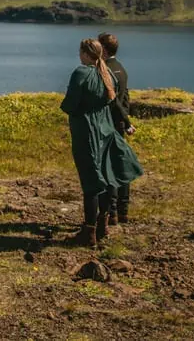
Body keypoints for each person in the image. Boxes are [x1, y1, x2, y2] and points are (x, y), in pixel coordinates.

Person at [60, 38, 142, 246]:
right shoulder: (106, 74)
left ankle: (88, 233)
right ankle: (103, 225)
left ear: (85, 54)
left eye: (80, 52)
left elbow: (69, 105)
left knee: (90, 182)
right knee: (107, 178)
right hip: (106, 130)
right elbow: (113, 103)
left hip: (87, 132)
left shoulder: (81, 73)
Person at [99, 32, 133, 225]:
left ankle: (111, 212)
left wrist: (125, 121)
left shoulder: (105, 71)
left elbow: (113, 102)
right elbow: (126, 98)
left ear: (103, 49)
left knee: (108, 168)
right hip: (118, 124)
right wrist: (125, 121)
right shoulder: (121, 69)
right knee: (120, 165)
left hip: (107, 125)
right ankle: (123, 210)